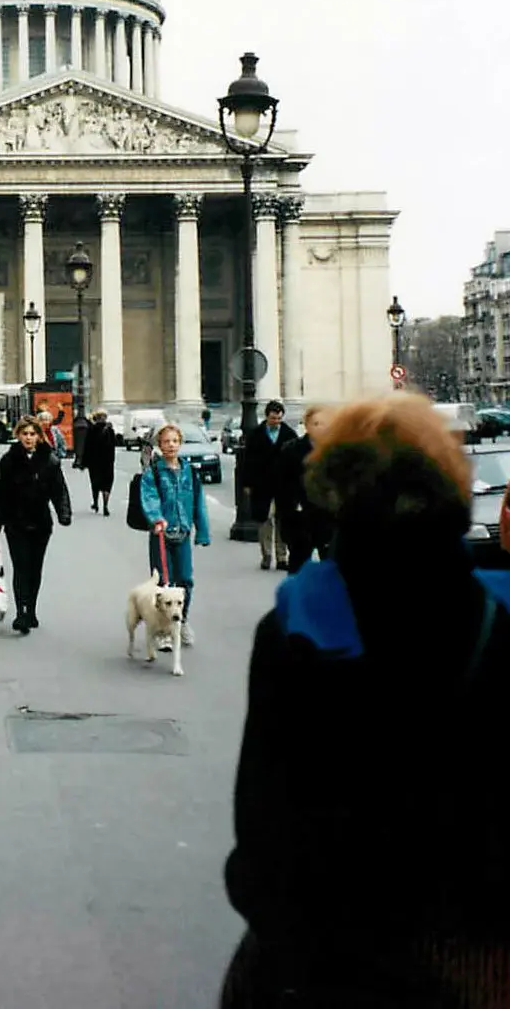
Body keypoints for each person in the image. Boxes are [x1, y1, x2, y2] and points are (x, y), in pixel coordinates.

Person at [221, 394, 510, 1008]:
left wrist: (287, 932)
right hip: (473, 951)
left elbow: (263, 825)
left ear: (336, 493)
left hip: (326, 954)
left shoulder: (297, 628)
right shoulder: (499, 619)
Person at [0, 415, 71, 634]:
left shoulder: (49, 459)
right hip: (16, 522)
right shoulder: (9, 461)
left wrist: (64, 513)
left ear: (38, 436)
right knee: (21, 567)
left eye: (32, 434)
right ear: (18, 435)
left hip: (41, 522)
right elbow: (1, 493)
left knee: (35, 569)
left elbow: (59, 489)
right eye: (24, 434)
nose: (28, 438)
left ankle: (31, 609)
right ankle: (21, 613)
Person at [139, 423, 210, 648]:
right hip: (161, 533)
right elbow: (149, 497)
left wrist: (202, 532)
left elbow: (198, 502)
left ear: (180, 444)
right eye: (166, 441)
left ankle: (182, 620)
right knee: (162, 584)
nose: (171, 445)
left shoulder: (190, 471)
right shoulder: (154, 473)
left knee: (186, 580)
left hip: (183, 532)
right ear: (159, 445)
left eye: (175, 441)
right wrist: (156, 518)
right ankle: (162, 631)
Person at [274, 403, 335, 573]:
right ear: (307, 425)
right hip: (300, 520)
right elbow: (282, 489)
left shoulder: (336, 451)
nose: (320, 428)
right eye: (315, 423)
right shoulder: (291, 450)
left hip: (329, 521)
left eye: (324, 423)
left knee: (333, 572)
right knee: (298, 569)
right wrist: (286, 522)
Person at [242, 399, 297, 571]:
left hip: (284, 487)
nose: (276, 422)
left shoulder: (289, 434)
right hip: (262, 486)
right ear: (266, 417)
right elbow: (247, 461)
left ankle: (282, 557)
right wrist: (247, 483)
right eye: (273, 418)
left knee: (282, 522)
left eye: (279, 419)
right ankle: (266, 555)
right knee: (265, 521)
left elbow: (296, 463)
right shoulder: (256, 434)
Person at [83, 409, 117, 515]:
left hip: (94, 462)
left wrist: (84, 462)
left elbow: (87, 446)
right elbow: (114, 445)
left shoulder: (91, 429)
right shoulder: (110, 430)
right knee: (107, 484)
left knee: (95, 483)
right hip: (108, 462)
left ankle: (96, 503)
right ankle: (105, 506)